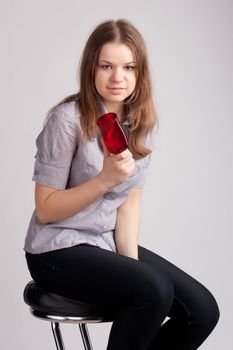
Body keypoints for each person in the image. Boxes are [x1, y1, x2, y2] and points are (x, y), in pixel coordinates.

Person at [24, 19, 220, 350]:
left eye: (128, 67)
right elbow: (45, 209)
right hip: (56, 249)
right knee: (153, 290)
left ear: (139, 72)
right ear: (91, 68)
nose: (118, 77)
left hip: (103, 244)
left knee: (201, 310)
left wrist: (131, 268)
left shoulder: (139, 122)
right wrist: (104, 180)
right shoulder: (67, 119)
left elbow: (129, 205)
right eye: (107, 66)